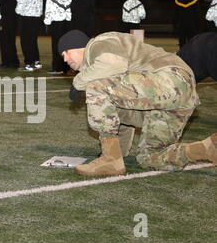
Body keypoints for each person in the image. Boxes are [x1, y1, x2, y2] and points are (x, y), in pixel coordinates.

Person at [58, 30, 216, 177]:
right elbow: (121, 107)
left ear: (80, 45)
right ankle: (207, 148)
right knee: (150, 158)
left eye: (66, 52)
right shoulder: (104, 69)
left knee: (96, 87)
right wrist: (120, 151)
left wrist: (78, 82)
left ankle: (110, 159)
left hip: (169, 78)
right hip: (178, 94)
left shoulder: (99, 43)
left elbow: (113, 64)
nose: (65, 59)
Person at [15, 0, 43, 72]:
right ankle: (36, 61)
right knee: (33, 40)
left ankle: (29, 64)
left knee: (26, 41)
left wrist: (17, 11)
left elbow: (21, 0)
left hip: (26, 15)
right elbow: (40, 0)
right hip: (36, 16)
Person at [44, 0, 72, 75]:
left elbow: (48, 11)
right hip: (67, 23)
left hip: (56, 23)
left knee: (56, 46)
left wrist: (47, 23)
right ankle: (67, 67)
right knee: (67, 46)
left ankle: (57, 67)